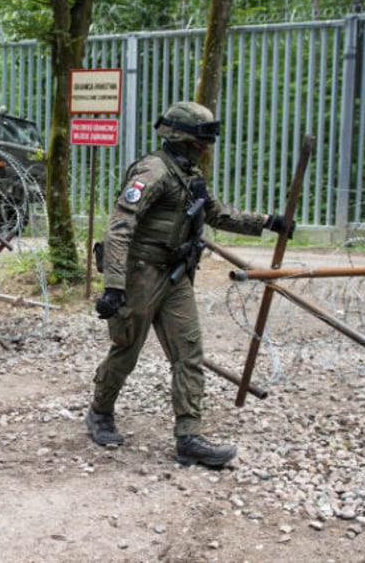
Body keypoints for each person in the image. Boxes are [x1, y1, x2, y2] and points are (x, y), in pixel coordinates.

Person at [85, 101, 294, 467]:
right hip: (140, 274)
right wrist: (114, 287)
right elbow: (119, 228)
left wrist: (268, 221)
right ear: (183, 137)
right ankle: (100, 411)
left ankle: (189, 437)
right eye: (202, 138)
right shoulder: (153, 172)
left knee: (189, 352)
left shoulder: (188, 173)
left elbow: (215, 212)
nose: (206, 145)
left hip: (174, 275)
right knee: (127, 349)